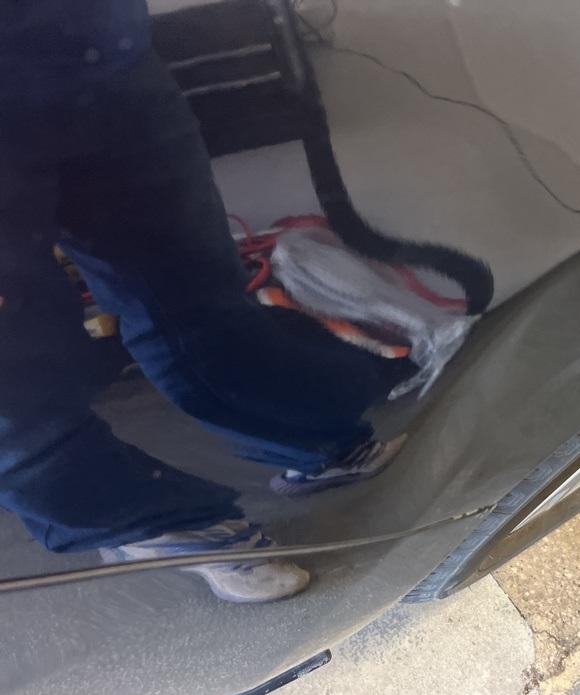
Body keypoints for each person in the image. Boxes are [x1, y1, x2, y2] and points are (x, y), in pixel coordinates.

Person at [0, 2, 414, 602]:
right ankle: (158, 525)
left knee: (192, 292)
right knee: (13, 380)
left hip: (93, 49)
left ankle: (317, 439)